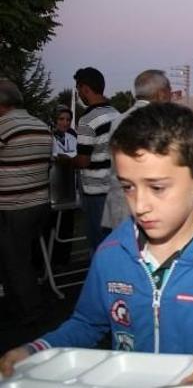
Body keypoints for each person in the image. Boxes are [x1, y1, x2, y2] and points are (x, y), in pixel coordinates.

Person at [0, 102, 193, 383]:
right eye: (128, 186)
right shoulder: (111, 253)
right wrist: (37, 350)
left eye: (157, 187)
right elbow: (87, 323)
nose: (140, 205)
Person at [0, 79, 52, 326]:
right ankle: (18, 306)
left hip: (13, 205)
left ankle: (30, 312)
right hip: (40, 202)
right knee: (23, 257)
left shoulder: (4, 126)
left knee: (15, 261)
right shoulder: (40, 125)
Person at [101, 69, 172, 232]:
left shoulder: (119, 119)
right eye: (170, 92)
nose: (171, 97)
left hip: (120, 202)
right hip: (147, 207)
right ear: (161, 94)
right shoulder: (158, 121)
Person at [61, 67, 120, 252]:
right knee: (115, 244)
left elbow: (83, 161)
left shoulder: (87, 119)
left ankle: (100, 280)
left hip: (96, 193)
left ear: (85, 89)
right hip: (116, 189)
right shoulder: (117, 114)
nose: (79, 95)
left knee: (100, 246)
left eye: (79, 90)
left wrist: (67, 161)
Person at [49, 107, 78, 265]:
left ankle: (64, 262)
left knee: (67, 227)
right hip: (54, 190)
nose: (65, 122)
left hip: (69, 188)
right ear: (55, 120)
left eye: (67, 119)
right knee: (52, 228)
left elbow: (76, 156)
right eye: (61, 119)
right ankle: (50, 262)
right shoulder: (48, 137)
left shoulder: (72, 137)